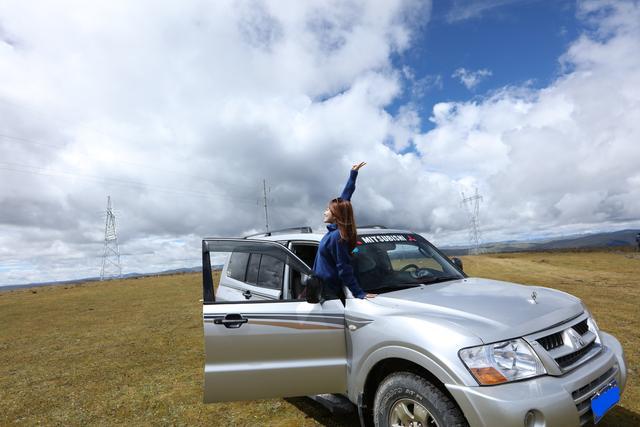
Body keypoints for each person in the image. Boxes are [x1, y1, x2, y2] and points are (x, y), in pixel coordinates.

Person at [312, 162, 375, 301]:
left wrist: (358, 293)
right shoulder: (335, 231)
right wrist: (353, 175)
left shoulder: (336, 237)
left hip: (328, 293)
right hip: (319, 287)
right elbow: (345, 199)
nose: (324, 212)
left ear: (336, 215)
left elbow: (344, 268)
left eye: (328, 209)